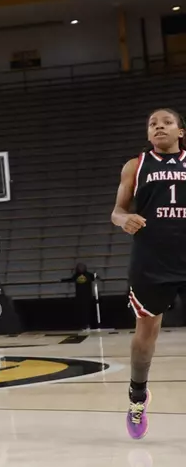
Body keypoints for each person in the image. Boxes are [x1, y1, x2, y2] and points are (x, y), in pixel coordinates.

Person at [110, 108, 186, 440]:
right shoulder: (136, 165)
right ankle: (137, 396)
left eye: (167, 122)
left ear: (181, 131)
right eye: (153, 124)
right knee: (146, 333)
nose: (159, 127)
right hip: (152, 260)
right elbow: (117, 211)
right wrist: (123, 220)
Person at [61, 262, 98, 331]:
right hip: (80, 297)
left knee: (88, 311)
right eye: (79, 267)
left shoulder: (89, 275)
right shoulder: (76, 275)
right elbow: (71, 279)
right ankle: (83, 325)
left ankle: (89, 325)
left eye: (82, 267)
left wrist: (96, 276)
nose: (80, 268)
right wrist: (62, 280)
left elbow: (96, 277)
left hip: (88, 296)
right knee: (81, 312)